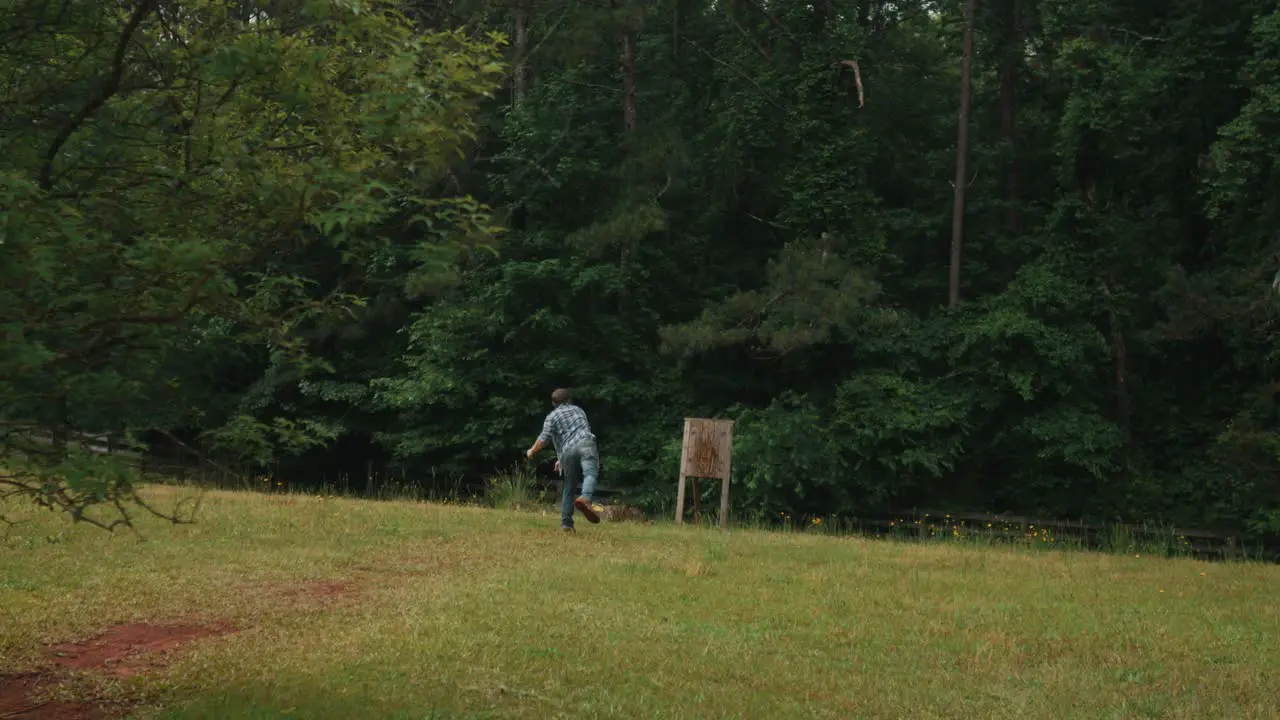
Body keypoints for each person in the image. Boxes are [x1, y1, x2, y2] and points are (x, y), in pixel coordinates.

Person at [525, 388, 600, 531]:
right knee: (590, 473)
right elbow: (584, 429)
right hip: (585, 443)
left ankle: (566, 524)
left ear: (553, 403)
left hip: (568, 451)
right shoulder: (578, 411)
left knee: (568, 487)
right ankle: (585, 497)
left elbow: (544, 438)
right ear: (568, 400)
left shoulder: (551, 417)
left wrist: (532, 450)